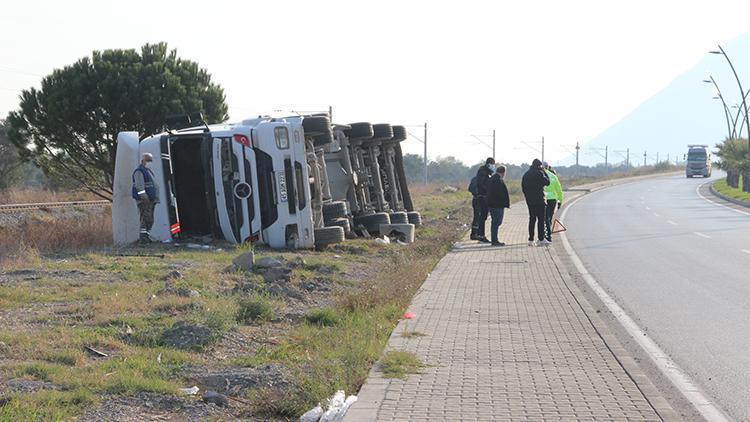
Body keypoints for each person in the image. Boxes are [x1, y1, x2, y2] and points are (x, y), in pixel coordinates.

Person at [132, 153, 160, 243]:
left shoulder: (148, 171)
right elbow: (139, 187)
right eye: (147, 160)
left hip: (151, 200)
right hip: (144, 200)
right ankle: (143, 238)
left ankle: (147, 236)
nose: (149, 162)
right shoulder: (139, 171)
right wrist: (144, 198)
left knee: (150, 219)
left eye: (150, 160)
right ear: (142, 161)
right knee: (145, 218)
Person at [521, 158, 550, 246]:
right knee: (541, 220)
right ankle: (541, 239)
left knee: (532, 219)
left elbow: (523, 187)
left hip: (530, 201)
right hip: (540, 200)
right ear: (539, 166)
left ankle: (531, 239)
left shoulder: (526, 174)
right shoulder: (539, 173)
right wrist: (544, 172)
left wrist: (527, 197)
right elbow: (547, 182)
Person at [486, 165, 510, 246]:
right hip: (496, 205)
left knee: (496, 222)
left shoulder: (493, 178)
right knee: (496, 222)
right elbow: (498, 193)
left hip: (494, 204)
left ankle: (494, 239)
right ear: (503, 172)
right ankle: (494, 240)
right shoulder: (497, 179)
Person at [474, 157, 495, 243]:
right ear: (489, 164)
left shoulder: (484, 171)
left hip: (482, 196)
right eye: (493, 164)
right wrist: (488, 190)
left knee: (482, 217)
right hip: (482, 197)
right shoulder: (483, 172)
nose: (494, 166)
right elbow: (482, 184)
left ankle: (480, 235)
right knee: (482, 216)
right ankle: (481, 236)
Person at [543, 162, 563, 243]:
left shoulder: (542, 175)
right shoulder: (554, 176)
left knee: (545, 219)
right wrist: (560, 201)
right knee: (549, 218)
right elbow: (559, 190)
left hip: (545, 199)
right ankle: (548, 232)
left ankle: (546, 235)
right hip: (553, 199)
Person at [468, 175, 480, 240]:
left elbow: (469, 188)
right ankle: (475, 234)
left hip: (476, 199)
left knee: (477, 217)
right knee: (478, 217)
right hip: (478, 200)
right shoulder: (477, 179)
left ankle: (475, 234)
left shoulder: (474, 178)